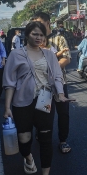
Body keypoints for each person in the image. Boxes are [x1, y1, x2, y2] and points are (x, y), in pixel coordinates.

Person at [3, 21, 74, 175]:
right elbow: (10, 83)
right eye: (35, 34)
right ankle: (28, 158)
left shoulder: (49, 54)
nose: (38, 37)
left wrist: (60, 94)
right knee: (24, 139)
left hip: (44, 100)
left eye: (41, 35)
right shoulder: (16, 55)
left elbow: (57, 76)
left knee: (45, 139)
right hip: (21, 102)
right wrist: (7, 107)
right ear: (27, 35)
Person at [32, 11, 73, 154]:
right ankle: (41, 133)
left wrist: (50, 68)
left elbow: (66, 58)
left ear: (47, 23)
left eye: (39, 23)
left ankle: (63, 140)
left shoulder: (59, 39)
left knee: (63, 113)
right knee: (43, 112)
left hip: (60, 83)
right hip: (43, 85)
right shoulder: (35, 39)